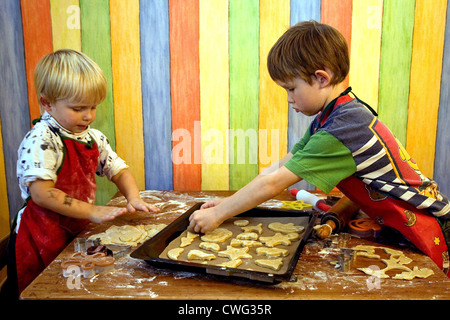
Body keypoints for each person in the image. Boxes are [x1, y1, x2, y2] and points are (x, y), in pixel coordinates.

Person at [189, 20, 450, 276]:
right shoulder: (334, 116)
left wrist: (221, 214)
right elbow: (277, 170)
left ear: (321, 78)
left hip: (431, 224)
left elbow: (273, 185)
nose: (289, 98)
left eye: (291, 88)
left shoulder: (342, 129)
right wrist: (228, 204)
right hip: (402, 223)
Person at [9, 49, 159, 296]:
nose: (88, 115)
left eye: (92, 107)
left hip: (74, 229)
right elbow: (42, 194)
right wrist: (92, 210)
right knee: (44, 290)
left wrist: (134, 197)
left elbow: (117, 169)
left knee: (72, 289)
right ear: (47, 103)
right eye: (78, 108)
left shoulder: (92, 138)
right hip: (39, 235)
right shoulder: (42, 139)